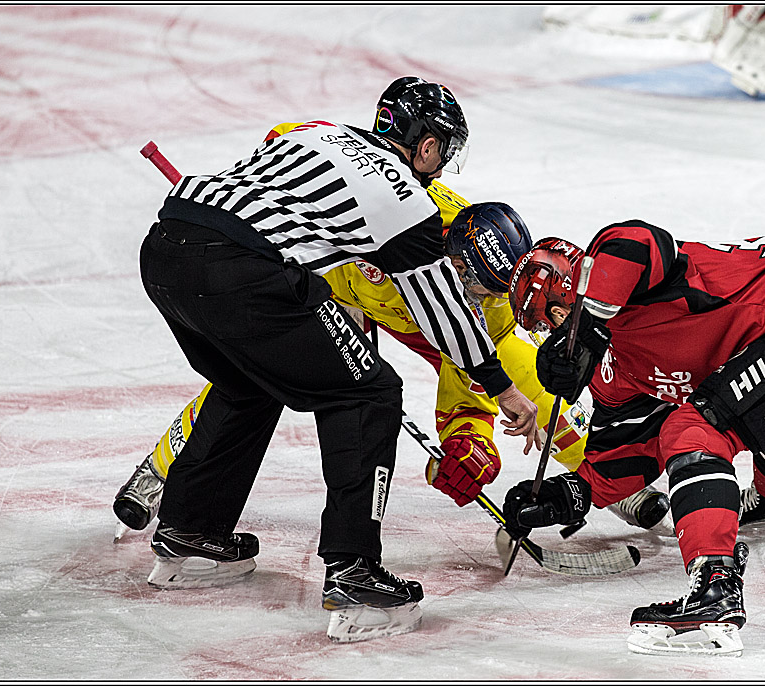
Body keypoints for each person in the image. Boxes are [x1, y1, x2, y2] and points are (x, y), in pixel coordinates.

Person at [136, 75, 541, 643]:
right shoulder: (406, 200)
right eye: (443, 151)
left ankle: (192, 532)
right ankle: (354, 571)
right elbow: (444, 311)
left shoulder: (317, 132)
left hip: (166, 249)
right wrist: (503, 390)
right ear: (425, 146)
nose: (443, 166)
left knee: (247, 384)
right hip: (242, 272)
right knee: (368, 391)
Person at [115, 194, 670, 548]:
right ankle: (164, 466)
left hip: (425, 325)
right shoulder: (407, 215)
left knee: (528, 385)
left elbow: (476, 379)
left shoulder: (488, 304)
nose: (471, 295)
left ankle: (605, 479)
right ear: (448, 249)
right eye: (466, 279)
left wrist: (466, 446)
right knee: (255, 375)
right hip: (335, 290)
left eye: (484, 290)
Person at [502, 222, 765, 655]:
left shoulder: (619, 269)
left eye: (554, 318)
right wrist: (570, 494)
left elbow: (636, 242)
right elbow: (627, 448)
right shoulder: (614, 369)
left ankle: (715, 587)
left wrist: (592, 322)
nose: (555, 335)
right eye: (547, 328)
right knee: (757, 412)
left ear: (571, 289)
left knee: (695, 429)